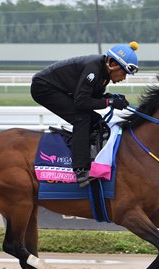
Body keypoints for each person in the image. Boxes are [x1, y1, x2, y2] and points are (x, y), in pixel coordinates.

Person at [31, 41, 139, 187]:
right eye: (124, 73)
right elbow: (81, 102)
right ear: (113, 64)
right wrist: (109, 102)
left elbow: (92, 97)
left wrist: (111, 97)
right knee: (81, 118)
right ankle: (80, 170)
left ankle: (93, 158)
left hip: (62, 89)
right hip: (43, 88)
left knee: (96, 119)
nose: (124, 78)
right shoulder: (93, 70)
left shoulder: (103, 73)